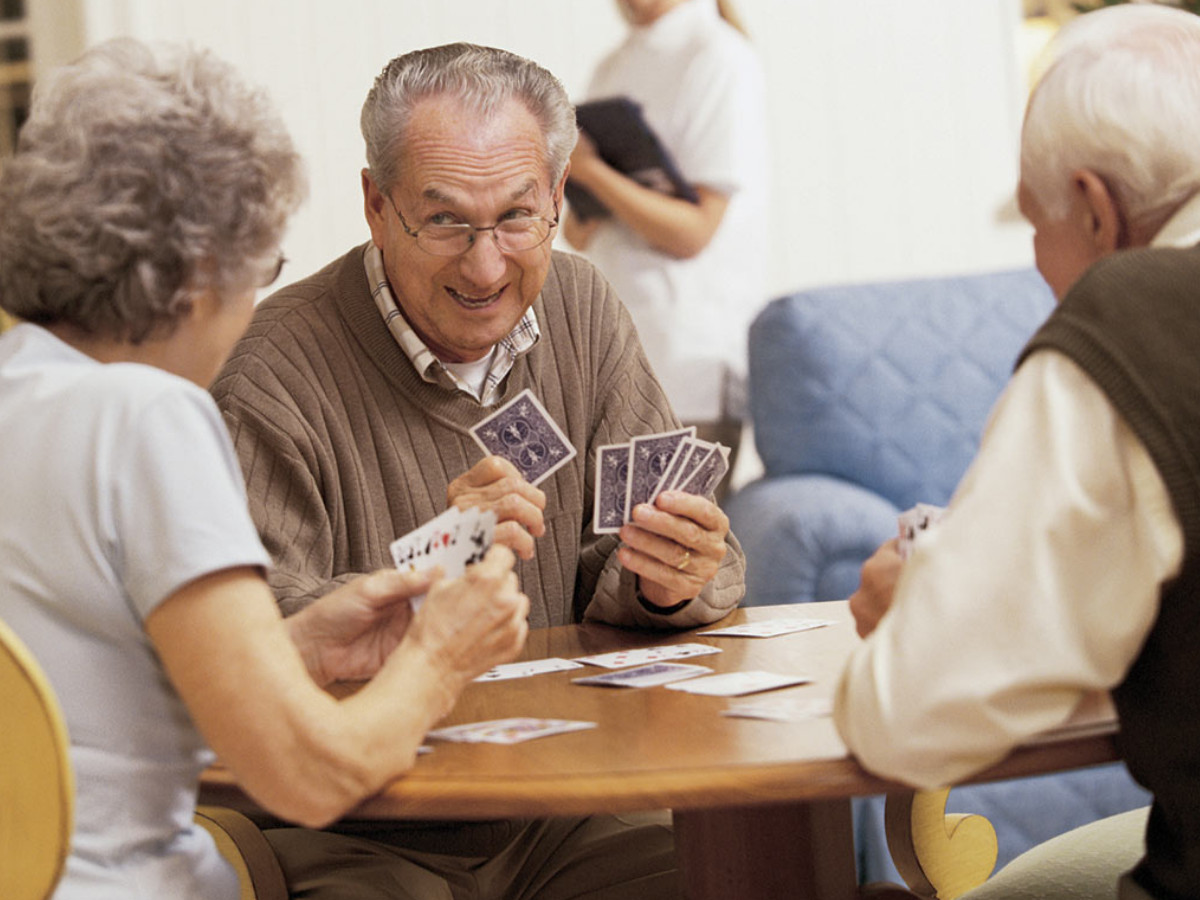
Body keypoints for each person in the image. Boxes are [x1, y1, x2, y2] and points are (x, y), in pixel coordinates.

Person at [211, 41, 745, 900]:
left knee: (743, 877)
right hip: (361, 827)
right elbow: (246, 645)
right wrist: (431, 567)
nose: (487, 265)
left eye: (515, 219)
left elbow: (650, 553)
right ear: (376, 206)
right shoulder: (272, 371)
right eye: (448, 221)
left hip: (569, 809)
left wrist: (666, 582)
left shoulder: (584, 310)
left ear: (558, 202)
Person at [0, 39, 530, 900]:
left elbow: (82, 707)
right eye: (262, 271)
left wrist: (296, 650)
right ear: (204, 270)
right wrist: (439, 658)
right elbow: (311, 779)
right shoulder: (148, 418)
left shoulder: (20, 387)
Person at [832, 6, 1200, 900]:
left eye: (1036, 226)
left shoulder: (1130, 320)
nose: (1037, 265)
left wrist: (918, 604)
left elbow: (904, 722)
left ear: (1097, 210)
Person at [562, 0, 769, 490]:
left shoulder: (718, 56)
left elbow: (693, 233)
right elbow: (578, 230)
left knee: (669, 555)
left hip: (684, 361)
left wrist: (591, 171)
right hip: (614, 359)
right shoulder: (612, 66)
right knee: (613, 554)